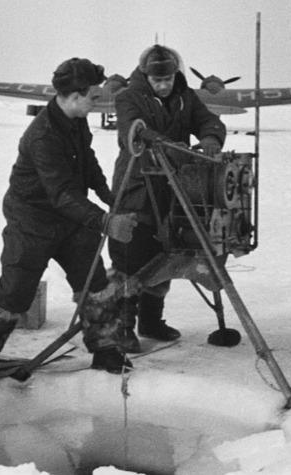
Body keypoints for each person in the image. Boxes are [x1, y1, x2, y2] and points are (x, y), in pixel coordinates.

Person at [0, 57, 138, 374]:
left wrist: (107, 195)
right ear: (75, 96)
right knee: (14, 294)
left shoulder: (75, 119)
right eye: (93, 96)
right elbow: (60, 194)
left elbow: (87, 160)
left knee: (95, 285)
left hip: (71, 219)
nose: (97, 102)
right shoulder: (43, 136)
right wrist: (105, 221)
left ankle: (107, 350)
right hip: (32, 221)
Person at [108, 44, 227, 353]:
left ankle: (151, 320)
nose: (163, 85)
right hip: (136, 185)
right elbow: (129, 130)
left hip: (173, 186)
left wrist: (211, 138)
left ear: (176, 74)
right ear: (145, 76)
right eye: (156, 80)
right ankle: (122, 327)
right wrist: (154, 141)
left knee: (166, 250)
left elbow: (208, 120)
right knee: (131, 254)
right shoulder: (128, 97)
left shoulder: (186, 97)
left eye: (168, 79)